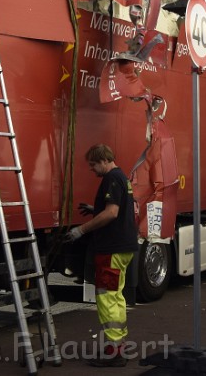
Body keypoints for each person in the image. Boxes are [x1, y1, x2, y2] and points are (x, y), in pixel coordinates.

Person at [65, 143, 137, 367]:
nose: (92, 170)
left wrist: (81, 229)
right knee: (116, 297)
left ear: (104, 160)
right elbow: (118, 208)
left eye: (93, 164)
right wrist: (94, 209)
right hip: (124, 247)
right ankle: (118, 345)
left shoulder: (111, 179)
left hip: (111, 250)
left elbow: (112, 213)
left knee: (106, 298)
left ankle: (114, 352)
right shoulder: (122, 178)